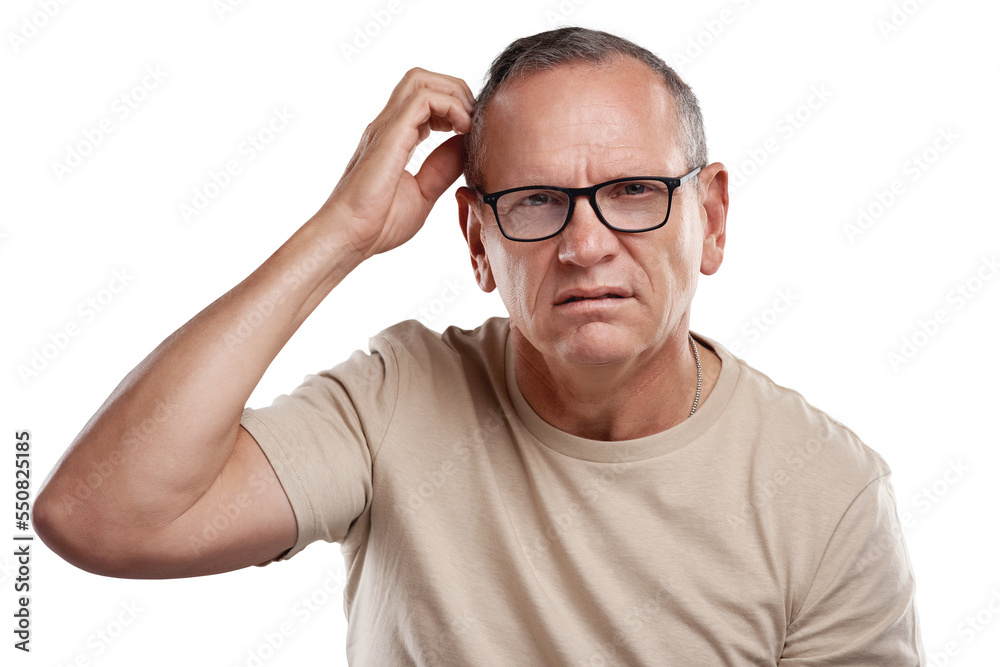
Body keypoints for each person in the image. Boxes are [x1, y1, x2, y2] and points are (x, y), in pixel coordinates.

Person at [34, 27, 924, 665]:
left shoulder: (829, 495)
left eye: (633, 189)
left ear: (713, 217)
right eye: (536, 201)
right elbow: (98, 516)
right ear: (476, 241)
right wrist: (342, 231)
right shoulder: (395, 398)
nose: (585, 244)